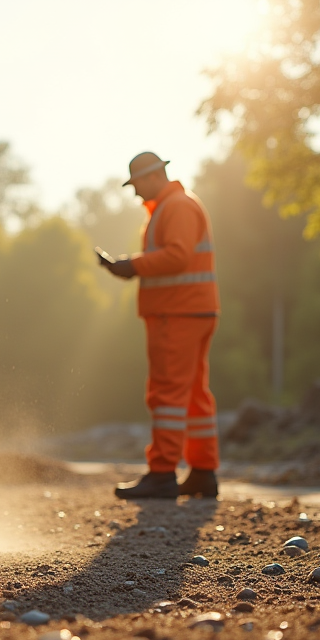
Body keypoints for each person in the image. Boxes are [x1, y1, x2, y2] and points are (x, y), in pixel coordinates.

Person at [96, 152, 219, 499]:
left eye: (136, 184)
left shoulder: (175, 207)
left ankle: (163, 473)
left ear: (153, 177)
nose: (135, 193)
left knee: (166, 393)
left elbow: (177, 256)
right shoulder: (176, 205)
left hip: (176, 314)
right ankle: (203, 473)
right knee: (194, 394)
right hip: (192, 311)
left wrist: (131, 265)